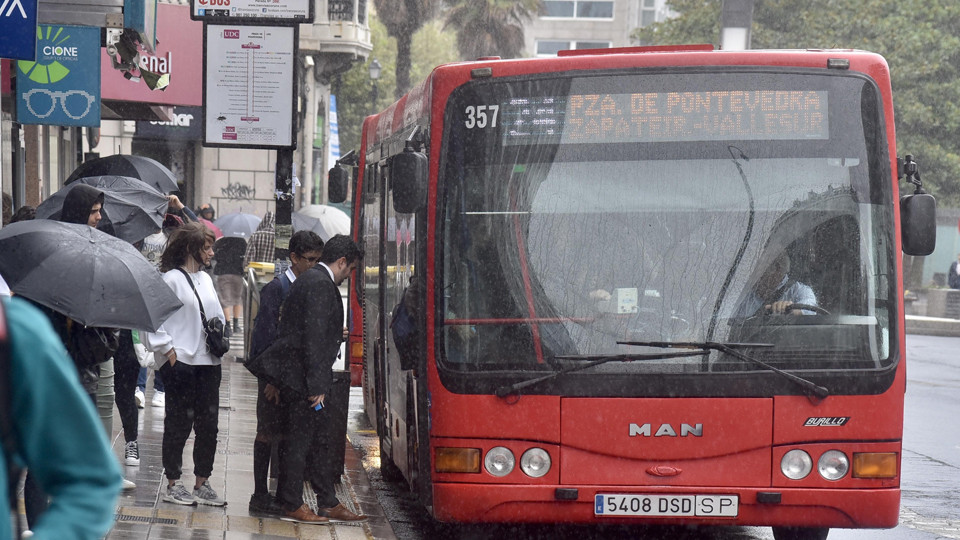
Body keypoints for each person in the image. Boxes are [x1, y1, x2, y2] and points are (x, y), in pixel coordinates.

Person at [251, 234, 365, 524]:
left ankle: (327, 500)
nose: (348, 275)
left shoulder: (311, 280)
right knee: (300, 442)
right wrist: (317, 387)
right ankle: (293, 502)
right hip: (303, 382)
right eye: (349, 269)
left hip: (301, 378)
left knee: (318, 441)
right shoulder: (319, 284)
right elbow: (312, 338)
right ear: (341, 262)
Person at [1, 296, 123, 539]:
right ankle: (35, 522)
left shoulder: (15, 333)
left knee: (42, 462)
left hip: (78, 380)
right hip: (70, 377)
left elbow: (90, 479)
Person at [143, 222, 227, 507]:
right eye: (207, 247)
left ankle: (202, 481)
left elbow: (217, 316)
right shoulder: (171, 280)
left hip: (208, 363)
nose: (211, 253)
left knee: (209, 425)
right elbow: (153, 319)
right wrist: (168, 350)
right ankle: (174, 482)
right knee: (179, 423)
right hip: (182, 362)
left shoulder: (206, 279)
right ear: (192, 248)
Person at [247, 230, 324, 516]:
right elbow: (265, 340)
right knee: (266, 432)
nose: (314, 266)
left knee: (285, 434)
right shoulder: (277, 288)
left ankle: (282, 494)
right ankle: (259, 493)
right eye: (309, 260)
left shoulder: (310, 286)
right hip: (274, 376)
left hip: (294, 377)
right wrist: (272, 380)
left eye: (318, 260)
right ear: (294, 258)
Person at [735, 253, 817, 317]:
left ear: (778, 269)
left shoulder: (799, 290)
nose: (752, 274)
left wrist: (791, 310)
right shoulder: (745, 294)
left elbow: (810, 308)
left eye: (759, 267)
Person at [213, 235, 248, 336]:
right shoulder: (242, 242)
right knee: (237, 299)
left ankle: (228, 325)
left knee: (224, 300)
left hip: (223, 273)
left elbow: (214, 255)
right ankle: (236, 325)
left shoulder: (221, 242)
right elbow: (246, 255)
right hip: (238, 273)